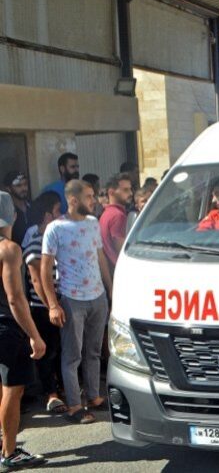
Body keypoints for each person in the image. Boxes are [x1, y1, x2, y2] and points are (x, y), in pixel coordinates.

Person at [41, 180, 113, 424]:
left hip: (97, 297)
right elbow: (45, 268)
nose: (94, 201)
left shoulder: (93, 224)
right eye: (89, 196)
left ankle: (93, 396)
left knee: (93, 351)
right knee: (72, 355)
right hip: (72, 299)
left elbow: (100, 257)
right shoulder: (55, 228)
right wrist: (53, 304)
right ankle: (74, 405)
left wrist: (110, 290)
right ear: (73, 200)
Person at [0, 191, 47, 469]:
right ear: (13, 216)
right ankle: (9, 452)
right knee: (13, 390)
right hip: (7, 326)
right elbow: (16, 299)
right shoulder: (9, 248)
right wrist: (35, 335)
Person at [21, 191, 66, 415]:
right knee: (47, 351)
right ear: (47, 214)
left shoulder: (55, 236)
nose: (61, 214)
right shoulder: (34, 238)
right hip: (43, 307)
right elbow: (37, 278)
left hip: (58, 302)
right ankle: (51, 393)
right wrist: (51, 306)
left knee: (59, 349)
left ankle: (61, 388)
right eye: (58, 210)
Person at [99, 173, 133, 272]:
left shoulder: (106, 213)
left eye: (130, 189)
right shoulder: (118, 216)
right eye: (125, 190)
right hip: (118, 270)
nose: (130, 193)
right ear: (111, 192)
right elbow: (122, 251)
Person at [3, 172, 30, 246]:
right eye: (18, 186)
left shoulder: (33, 207)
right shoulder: (6, 212)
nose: (24, 188)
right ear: (8, 188)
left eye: (25, 184)